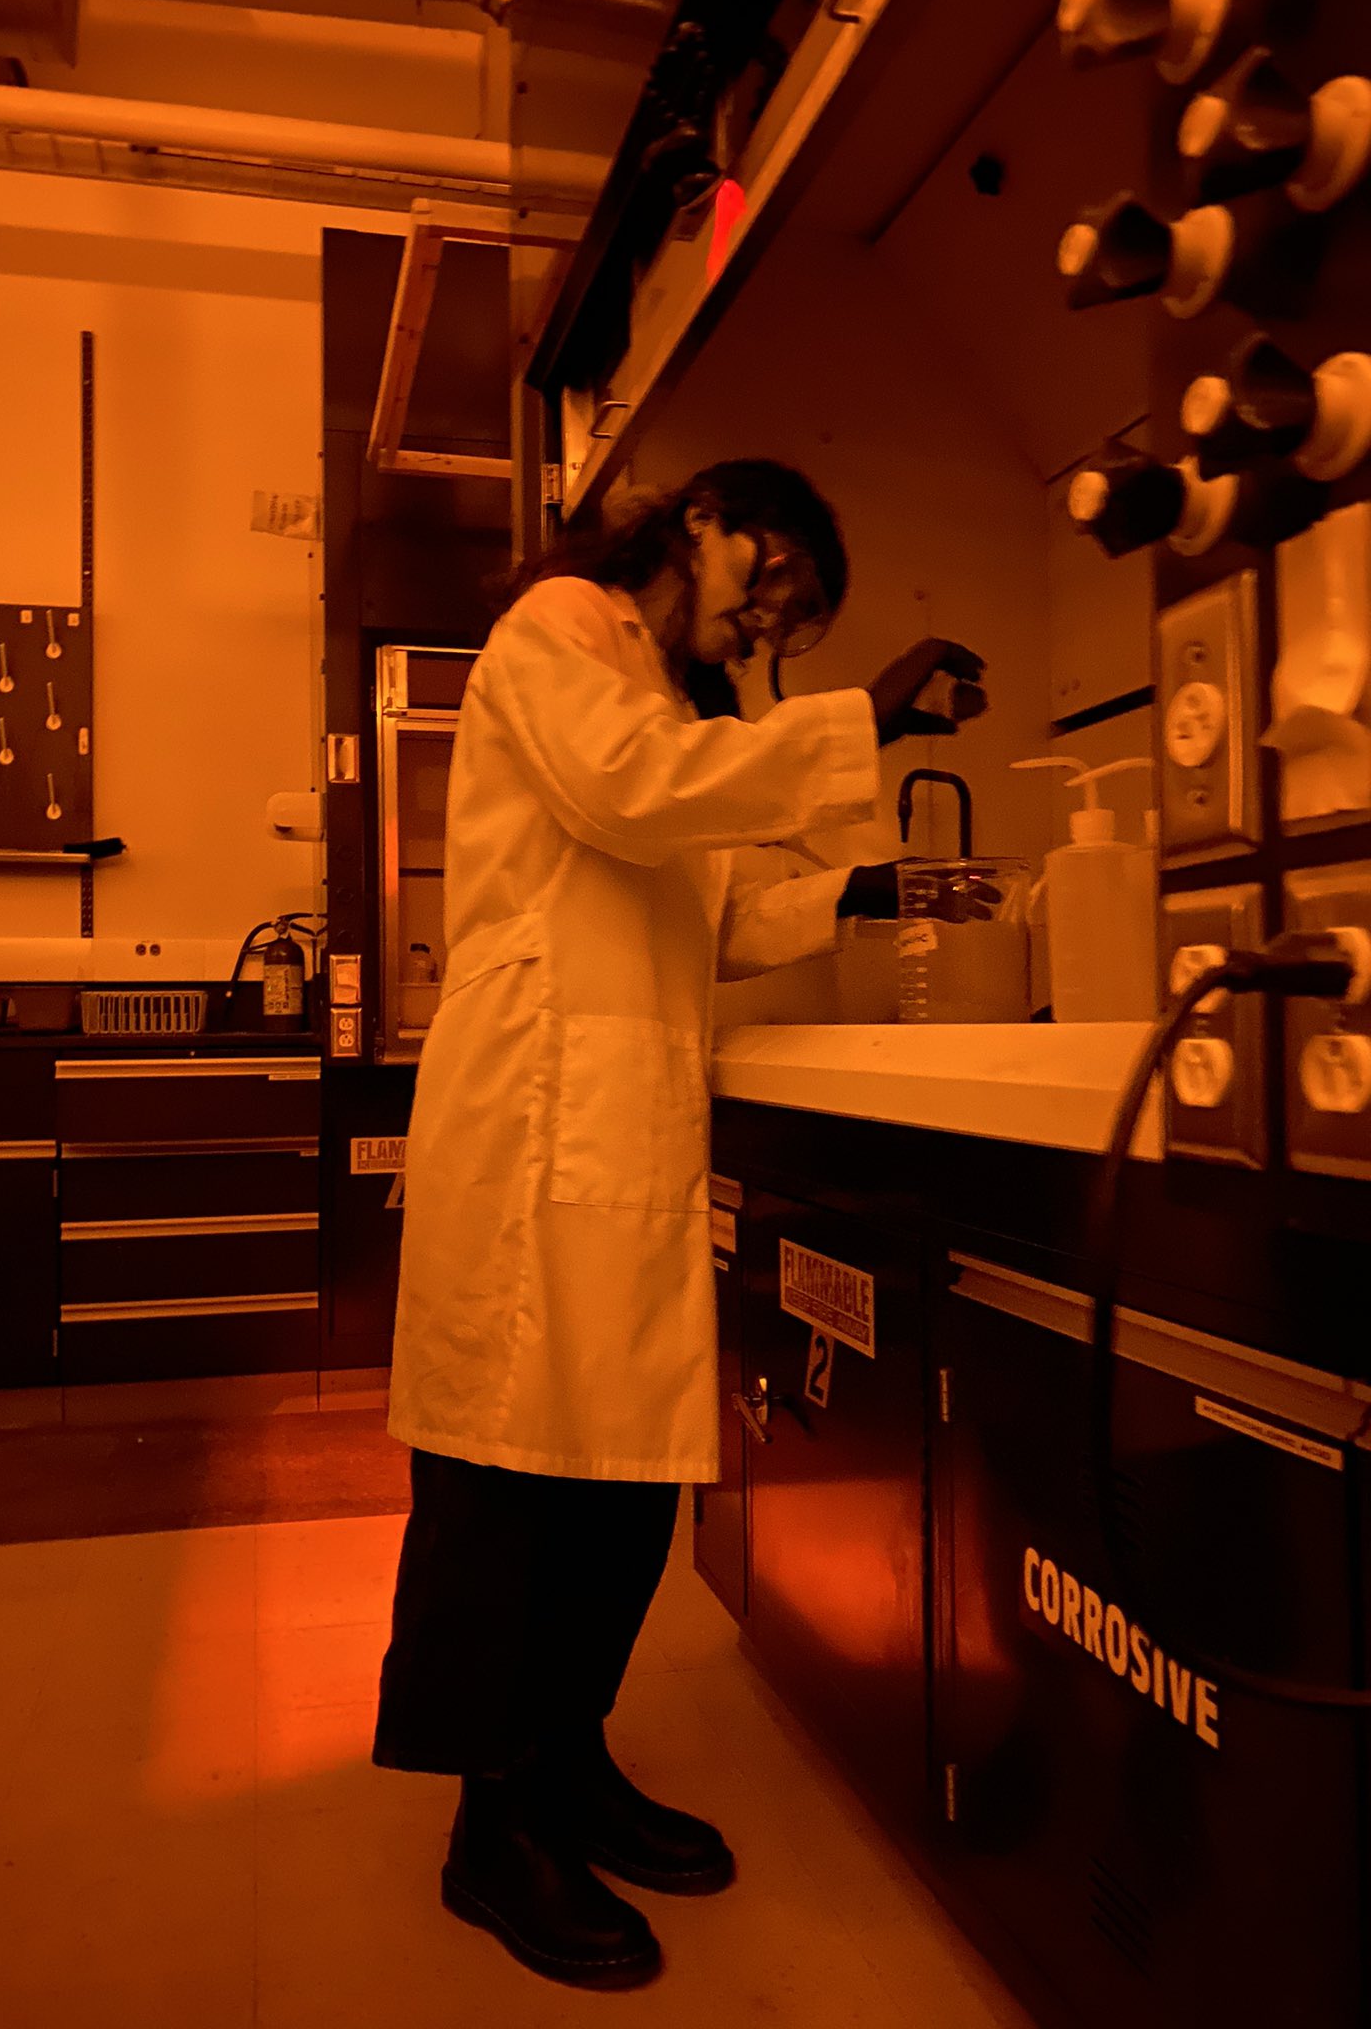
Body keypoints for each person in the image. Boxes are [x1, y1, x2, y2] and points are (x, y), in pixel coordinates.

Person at [372, 459, 988, 1991]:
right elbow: (625, 800)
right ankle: (487, 1828)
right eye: (773, 582)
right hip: (529, 1126)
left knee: (621, 1492)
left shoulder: (676, 713)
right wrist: (864, 726)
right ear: (703, 520)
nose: (768, 622)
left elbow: (710, 910)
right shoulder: (559, 632)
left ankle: (567, 1760)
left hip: (626, 1132)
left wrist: (865, 885)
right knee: (509, 1490)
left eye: (797, 621)